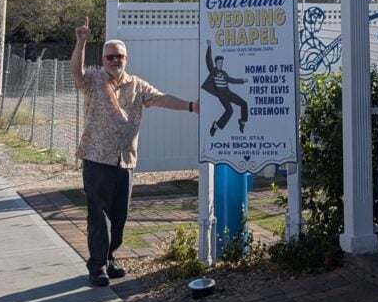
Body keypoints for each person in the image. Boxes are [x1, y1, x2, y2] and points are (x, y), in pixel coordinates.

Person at [71, 16, 198, 287]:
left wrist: (190, 106)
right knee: (98, 214)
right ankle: (97, 266)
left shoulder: (137, 85)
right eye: (110, 57)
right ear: (103, 59)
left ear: (126, 59)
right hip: (96, 157)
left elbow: (162, 98)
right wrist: (81, 42)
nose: (115, 61)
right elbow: (77, 74)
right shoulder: (93, 79)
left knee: (120, 215)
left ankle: (110, 257)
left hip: (125, 160)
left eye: (119, 57)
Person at [201, 40, 248, 136]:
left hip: (228, 92)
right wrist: (209, 46)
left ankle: (242, 122)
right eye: (218, 63)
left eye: (221, 63)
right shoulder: (213, 71)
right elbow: (208, 59)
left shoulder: (224, 73)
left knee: (244, 103)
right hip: (221, 94)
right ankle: (215, 126)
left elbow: (231, 80)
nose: (220, 65)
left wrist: (242, 80)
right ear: (216, 63)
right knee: (230, 111)